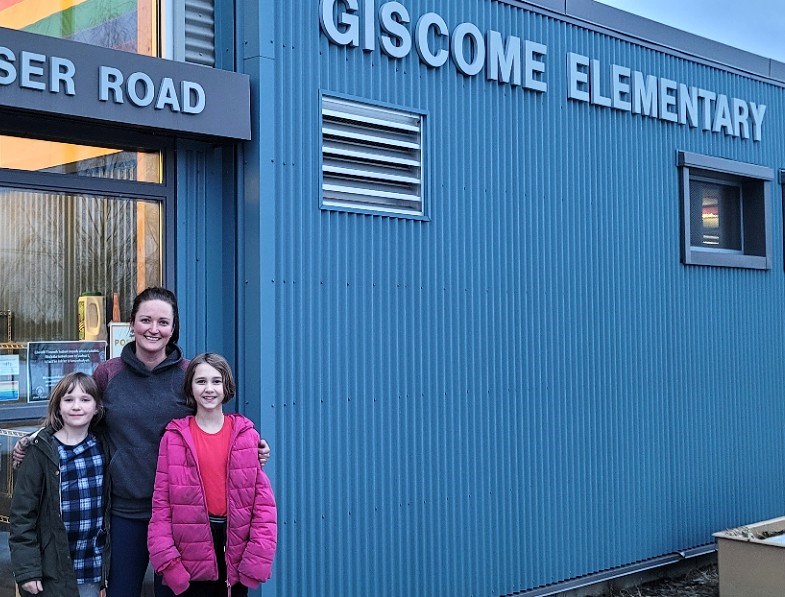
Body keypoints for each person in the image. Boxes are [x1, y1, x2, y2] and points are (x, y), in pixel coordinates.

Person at [13, 286, 271, 597]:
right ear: (132, 323)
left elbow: (212, 424)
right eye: (145, 320)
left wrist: (253, 448)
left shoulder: (190, 374)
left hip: (182, 514)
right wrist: (36, 439)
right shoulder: (109, 374)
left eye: (163, 322)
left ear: (173, 328)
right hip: (124, 512)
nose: (154, 329)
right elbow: (78, 416)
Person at [147, 353, 277, 596]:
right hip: (189, 552)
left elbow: (264, 508)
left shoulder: (246, 436)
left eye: (216, 381)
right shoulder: (174, 438)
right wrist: (169, 563)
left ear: (226, 386)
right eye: (201, 381)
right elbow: (161, 506)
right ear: (190, 387)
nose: (209, 389)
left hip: (233, 549)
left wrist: (255, 562)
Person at [9, 372, 108, 597]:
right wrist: (27, 570)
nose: (76, 406)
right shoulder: (41, 451)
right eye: (68, 399)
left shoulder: (103, 448)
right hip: (51, 569)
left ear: (96, 408)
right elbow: (22, 515)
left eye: (85, 400)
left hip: (91, 565)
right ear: (57, 406)